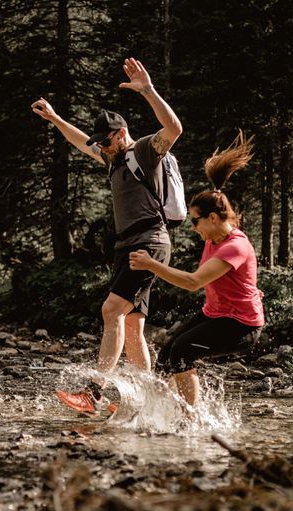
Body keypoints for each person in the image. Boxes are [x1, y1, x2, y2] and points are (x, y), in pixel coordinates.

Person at [31, 58, 183, 415]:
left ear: (120, 133)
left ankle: (93, 394)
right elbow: (82, 142)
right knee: (132, 326)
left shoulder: (143, 151)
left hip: (149, 243)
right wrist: (54, 119)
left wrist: (148, 91)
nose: (100, 146)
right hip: (128, 245)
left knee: (111, 310)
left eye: (105, 140)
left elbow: (174, 128)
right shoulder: (113, 159)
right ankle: (151, 403)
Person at [128, 132, 264, 411]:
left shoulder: (234, 247)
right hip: (216, 314)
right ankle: (159, 408)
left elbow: (193, 282)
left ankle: (191, 418)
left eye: (195, 221)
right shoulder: (213, 238)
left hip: (241, 325)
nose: (193, 227)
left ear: (213, 218)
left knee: (181, 353)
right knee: (167, 351)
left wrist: (151, 264)